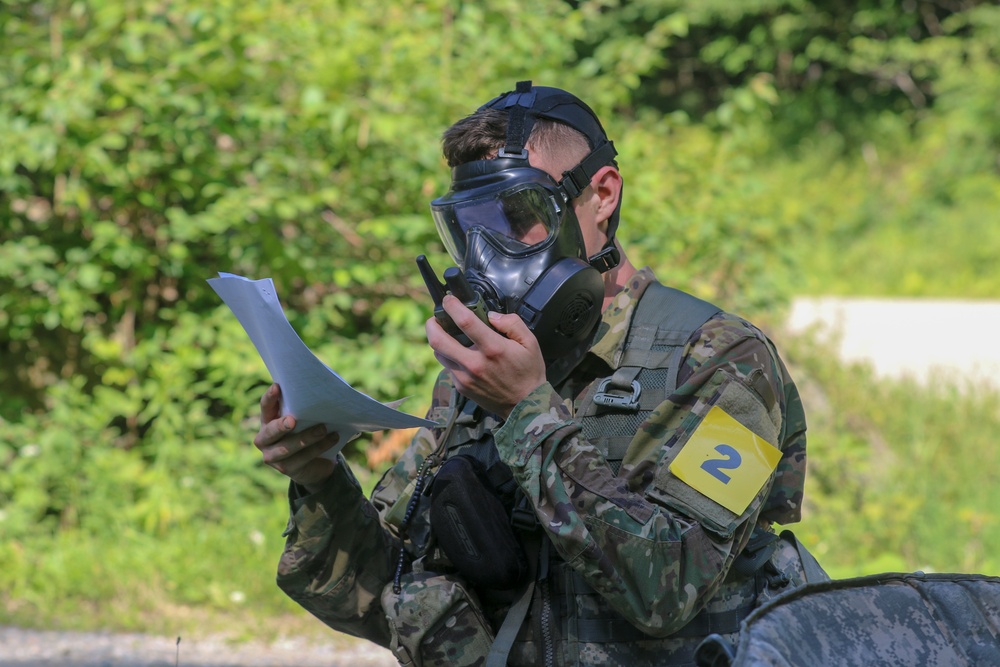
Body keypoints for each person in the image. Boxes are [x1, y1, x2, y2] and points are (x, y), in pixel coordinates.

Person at [253, 81, 826, 667]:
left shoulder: (725, 360)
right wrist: (321, 479)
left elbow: (668, 590)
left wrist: (527, 411)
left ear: (601, 195)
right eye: (469, 229)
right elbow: (385, 590)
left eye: (517, 217)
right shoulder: (480, 377)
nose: (487, 257)